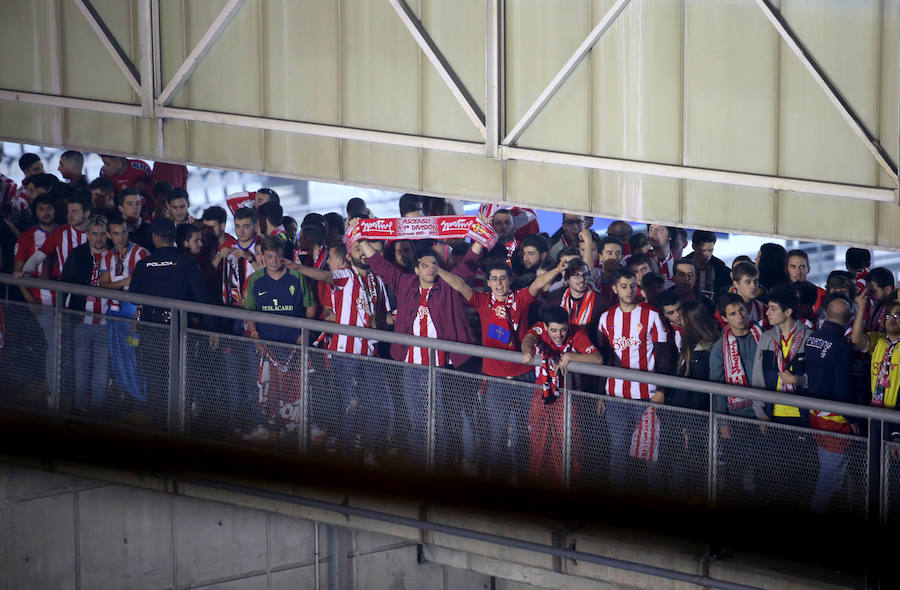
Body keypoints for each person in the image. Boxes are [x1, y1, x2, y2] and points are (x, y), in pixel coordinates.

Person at [439, 255, 570, 479]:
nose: (499, 283)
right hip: (495, 379)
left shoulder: (520, 299)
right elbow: (460, 285)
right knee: (497, 435)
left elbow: (537, 284)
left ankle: (522, 480)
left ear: (510, 281)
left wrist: (558, 269)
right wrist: (438, 270)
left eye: (503, 279)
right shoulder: (481, 301)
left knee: (524, 433)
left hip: (524, 377)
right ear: (488, 282)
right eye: (494, 279)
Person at [362, 238, 483, 470]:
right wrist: (360, 237)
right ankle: (421, 466)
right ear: (416, 269)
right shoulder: (406, 283)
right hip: (411, 368)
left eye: (434, 264)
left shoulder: (447, 286)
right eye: (425, 265)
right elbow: (379, 265)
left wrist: (480, 236)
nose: (430, 269)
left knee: (443, 421)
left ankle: (441, 467)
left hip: (440, 368)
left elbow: (469, 263)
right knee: (417, 420)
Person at [292, 235, 393, 464]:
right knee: (351, 405)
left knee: (377, 404)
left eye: (365, 249)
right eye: (357, 249)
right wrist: (297, 267)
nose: (363, 253)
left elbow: (385, 316)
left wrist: (402, 316)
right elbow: (325, 276)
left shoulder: (377, 280)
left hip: (371, 353)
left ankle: (368, 451)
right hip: (345, 354)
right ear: (349, 255)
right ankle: (346, 457)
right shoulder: (344, 276)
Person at [129, 218, 212, 425]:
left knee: (155, 379)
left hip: (151, 330)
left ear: (155, 238)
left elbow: (133, 297)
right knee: (182, 378)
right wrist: (212, 330)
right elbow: (202, 299)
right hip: (180, 330)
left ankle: (157, 426)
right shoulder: (186, 263)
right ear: (174, 237)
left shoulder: (142, 265)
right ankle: (180, 427)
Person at [596, 268, 672, 486]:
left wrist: (661, 390)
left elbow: (664, 355)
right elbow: (604, 357)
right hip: (615, 396)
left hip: (647, 396)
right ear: (614, 289)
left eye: (632, 286)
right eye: (623, 286)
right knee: (618, 451)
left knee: (650, 455)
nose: (629, 291)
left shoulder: (652, 314)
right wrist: (601, 393)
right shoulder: (605, 318)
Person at [242, 236, 316, 440]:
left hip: (294, 347)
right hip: (268, 348)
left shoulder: (297, 277)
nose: (274, 261)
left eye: (278, 256)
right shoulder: (255, 280)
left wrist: (304, 334)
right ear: (263, 257)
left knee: (297, 394)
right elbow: (248, 311)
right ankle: (271, 433)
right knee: (270, 394)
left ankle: (299, 437)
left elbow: (311, 307)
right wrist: (255, 336)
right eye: (269, 256)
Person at [520, 306, 603, 482]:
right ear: (545, 327)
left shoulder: (576, 333)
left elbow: (597, 358)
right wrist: (527, 351)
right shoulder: (539, 328)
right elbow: (528, 338)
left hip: (566, 396)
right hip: (541, 394)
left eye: (563, 329)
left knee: (568, 445)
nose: (559, 335)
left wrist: (571, 357)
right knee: (538, 443)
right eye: (554, 330)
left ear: (568, 325)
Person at [751, 286, 814, 507]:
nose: (767, 312)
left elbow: (817, 378)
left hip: (801, 420)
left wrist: (798, 380)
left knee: (798, 482)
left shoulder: (809, 338)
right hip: (772, 416)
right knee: (772, 479)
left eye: (773, 308)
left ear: (788, 312)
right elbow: (757, 379)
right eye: (768, 308)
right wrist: (760, 413)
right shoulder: (767, 338)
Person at [709, 293, 763, 501]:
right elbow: (717, 387)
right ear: (724, 318)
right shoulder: (719, 349)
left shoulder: (763, 336)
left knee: (763, 468)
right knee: (735, 469)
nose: (739, 316)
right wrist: (722, 420)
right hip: (735, 417)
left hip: (763, 414)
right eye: (733, 313)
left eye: (741, 310)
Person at [805, 296, 857, 513]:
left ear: (827, 314)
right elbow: (843, 387)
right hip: (836, 420)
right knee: (828, 481)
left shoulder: (812, 338)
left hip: (815, 415)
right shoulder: (842, 347)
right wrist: (853, 419)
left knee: (828, 475)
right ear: (850, 319)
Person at [59, 215, 109, 413]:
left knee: (101, 368)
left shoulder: (114, 255)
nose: (99, 238)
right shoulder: (78, 254)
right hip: (81, 319)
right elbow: (63, 284)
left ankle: (97, 408)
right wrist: (61, 312)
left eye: (103, 234)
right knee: (79, 365)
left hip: (107, 321)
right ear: (87, 234)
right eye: (94, 233)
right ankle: (77, 406)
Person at [100, 213, 149, 406]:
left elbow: (143, 287)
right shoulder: (107, 256)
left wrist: (138, 318)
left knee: (135, 358)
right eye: (116, 233)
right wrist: (126, 282)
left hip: (133, 314)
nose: (121, 237)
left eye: (124, 232)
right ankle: (129, 398)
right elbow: (103, 286)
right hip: (113, 314)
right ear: (109, 235)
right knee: (118, 358)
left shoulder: (140, 253)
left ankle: (142, 399)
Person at [851, 290, 900, 448]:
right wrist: (860, 309)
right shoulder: (878, 340)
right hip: (874, 413)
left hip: (895, 416)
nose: (891, 319)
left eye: (897, 315)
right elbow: (856, 339)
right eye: (888, 316)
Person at [19, 192, 90, 280]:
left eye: (74, 212)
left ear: (86, 213)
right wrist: (26, 271)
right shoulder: (60, 232)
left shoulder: (97, 232)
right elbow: (39, 255)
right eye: (68, 211)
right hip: (64, 287)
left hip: (90, 288)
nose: (69, 215)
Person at [685, 230, 730, 299]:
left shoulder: (719, 267)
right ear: (694, 246)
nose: (707, 255)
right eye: (703, 250)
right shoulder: (683, 265)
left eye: (710, 250)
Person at [729, 262, 767, 328]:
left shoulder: (764, 309)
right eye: (748, 282)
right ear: (736, 284)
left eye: (755, 281)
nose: (753, 286)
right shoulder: (725, 310)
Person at [862, 267, 895, 333]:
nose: (869, 295)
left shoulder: (896, 308)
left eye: (872, 291)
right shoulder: (877, 305)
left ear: (888, 289)